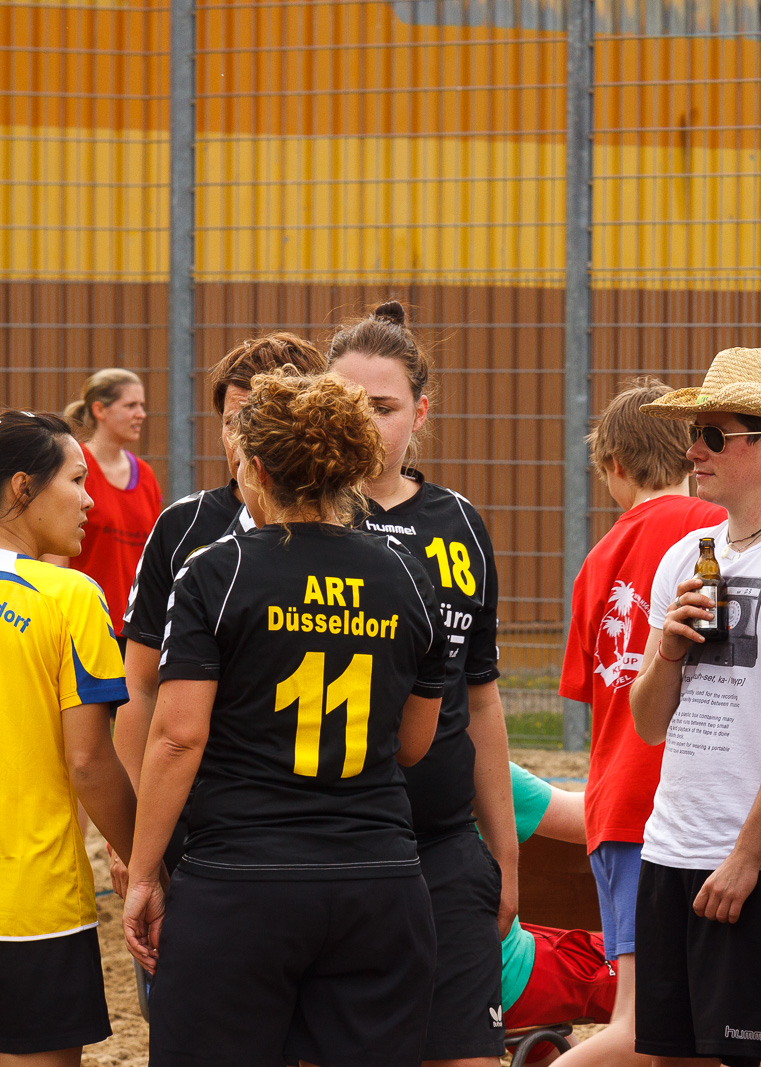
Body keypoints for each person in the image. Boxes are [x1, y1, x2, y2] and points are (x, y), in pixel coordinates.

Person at [123, 369, 447, 1067]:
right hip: (378, 883)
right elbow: (416, 744)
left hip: (242, 882)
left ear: (258, 468)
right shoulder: (410, 576)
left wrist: (146, 872)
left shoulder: (216, 570)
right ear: (354, 465)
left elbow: (178, 735)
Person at [629, 347, 761, 1066]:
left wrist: (749, 856)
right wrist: (668, 646)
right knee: (671, 1054)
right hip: (671, 848)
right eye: (696, 433)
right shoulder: (684, 553)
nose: (693, 450)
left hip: (758, 859)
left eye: (714, 435)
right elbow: (647, 722)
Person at [327, 301, 519, 1067]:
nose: (367, 423)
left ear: (420, 413)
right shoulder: (297, 519)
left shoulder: (461, 523)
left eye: (385, 406)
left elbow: (482, 697)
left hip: (442, 846)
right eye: (347, 403)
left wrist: (501, 853)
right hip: (330, 844)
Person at [111, 332, 327, 897]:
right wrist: (138, 837)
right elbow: (139, 689)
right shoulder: (185, 528)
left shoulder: (363, 539)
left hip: (330, 829)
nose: (243, 439)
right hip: (198, 827)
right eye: (233, 420)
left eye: (261, 418)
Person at [556, 379, 724, 1067]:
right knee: (644, 1027)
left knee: (652, 1021)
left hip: (618, 804)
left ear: (615, 464)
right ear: (689, 454)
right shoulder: (714, 529)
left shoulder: (597, 559)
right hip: (679, 808)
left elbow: (587, 688)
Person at [0, 409, 137, 1063]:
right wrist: (146, 856)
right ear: (22, 488)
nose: (90, 499)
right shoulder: (68, 596)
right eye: (78, 480)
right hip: (31, 903)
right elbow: (89, 762)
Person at [500, 762, 616, 1064]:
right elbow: (592, 818)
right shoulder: (474, 761)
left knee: (546, 1032)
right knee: (661, 979)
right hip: (497, 975)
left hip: (418, 981)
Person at [59, 368, 162, 642]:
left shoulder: (145, 474)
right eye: (130, 405)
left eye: (141, 405)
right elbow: (54, 555)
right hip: (84, 623)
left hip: (135, 629)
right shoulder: (74, 465)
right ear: (99, 410)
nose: (141, 413)